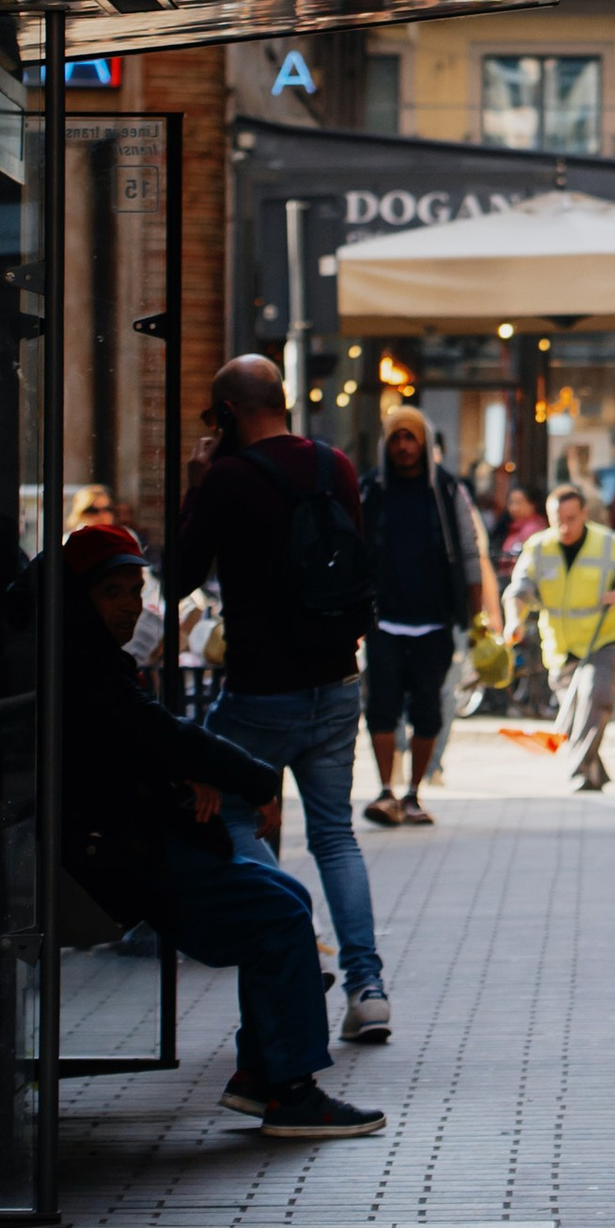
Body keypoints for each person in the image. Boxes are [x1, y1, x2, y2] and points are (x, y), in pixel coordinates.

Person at [57, 522, 381, 1140]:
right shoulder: (87, 668)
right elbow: (155, 735)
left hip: (125, 842)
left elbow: (143, 743)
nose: (130, 605)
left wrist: (188, 775)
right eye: (113, 593)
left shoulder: (91, 659)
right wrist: (250, 777)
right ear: (81, 600)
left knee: (288, 901)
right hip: (116, 857)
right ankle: (290, 1091)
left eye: (136, 589)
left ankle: (263, 1077)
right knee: (278, 917)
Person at [169, 355, 392, 1045]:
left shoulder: (229, 478)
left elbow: (178, 574)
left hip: (260, 691)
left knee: (227, 817)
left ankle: (286, 927)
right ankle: (368, 987)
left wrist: (196, 484)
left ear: (228, 413)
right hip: (337, 682)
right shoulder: (336, 466)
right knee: (334, 834)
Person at [360, 413, 498, 824]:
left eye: (411, 438)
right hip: (382, 621)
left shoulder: (447, 490)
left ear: (423, 442)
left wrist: (476, 620)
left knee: (428, 710)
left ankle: (413, 794)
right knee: (381, 708)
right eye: (396, 438)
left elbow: (470, 554)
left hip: (435, 621)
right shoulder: (371, 489)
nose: (403, 446)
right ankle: (385, 790)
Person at [505, 482, 615, 789]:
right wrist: (512, 621)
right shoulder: (538, 548)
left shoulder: (611, 544)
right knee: (577, 717)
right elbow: (518, 591)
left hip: (604, 638)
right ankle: (595, 773)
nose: (565, 527)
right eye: (558, 520)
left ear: (584, 513)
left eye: (571, 518)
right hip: (561, 646)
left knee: (596, 696)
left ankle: (579, 772)